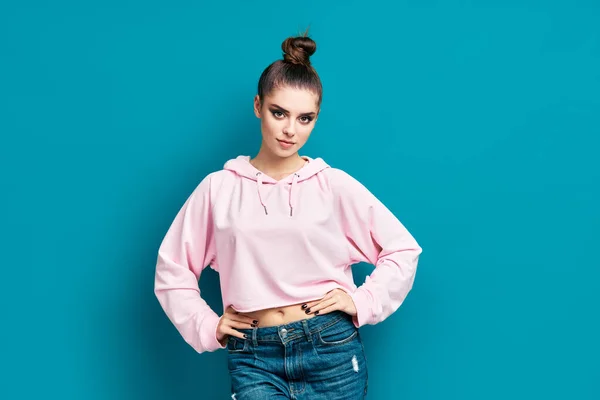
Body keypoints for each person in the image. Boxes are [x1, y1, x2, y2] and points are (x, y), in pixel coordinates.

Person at [154, 31, 423, 399]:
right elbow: (172, 269)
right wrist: (206, 325)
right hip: (254, 355)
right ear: (257, 105)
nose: (290, 130)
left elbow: (403, 251)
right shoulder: (219, 188)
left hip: (330, 347)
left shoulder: (333, 185)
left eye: (305, 118)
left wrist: (362, 301)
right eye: (278, 112)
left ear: (316, 118)